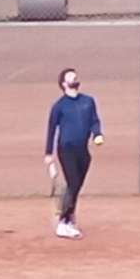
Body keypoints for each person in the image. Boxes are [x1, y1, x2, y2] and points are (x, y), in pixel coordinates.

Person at [44, 67, 104, 239]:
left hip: (83, 150)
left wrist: (97, 134)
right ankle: (63, 223)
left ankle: (69, 217)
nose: (74, 78)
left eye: (75, 76)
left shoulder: (88, 101)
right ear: (64, 84)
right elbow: (51, 129)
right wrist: (48, 153)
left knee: (76, 186)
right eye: (70, 76)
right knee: (73, 183)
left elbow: (94, 120)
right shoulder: (59, 106)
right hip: (66, 149)